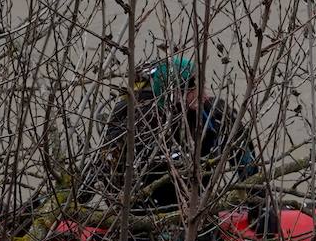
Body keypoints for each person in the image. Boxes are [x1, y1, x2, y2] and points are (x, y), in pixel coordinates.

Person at [90, 56, 258, 214]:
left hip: (197, 210)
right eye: (192, 84)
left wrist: (259, 207)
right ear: (169, 92)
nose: (201, 91)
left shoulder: (217, 116)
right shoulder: (138, 125)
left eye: (200, 81)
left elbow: (247, 165)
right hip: (144, 217)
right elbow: (102, 172)